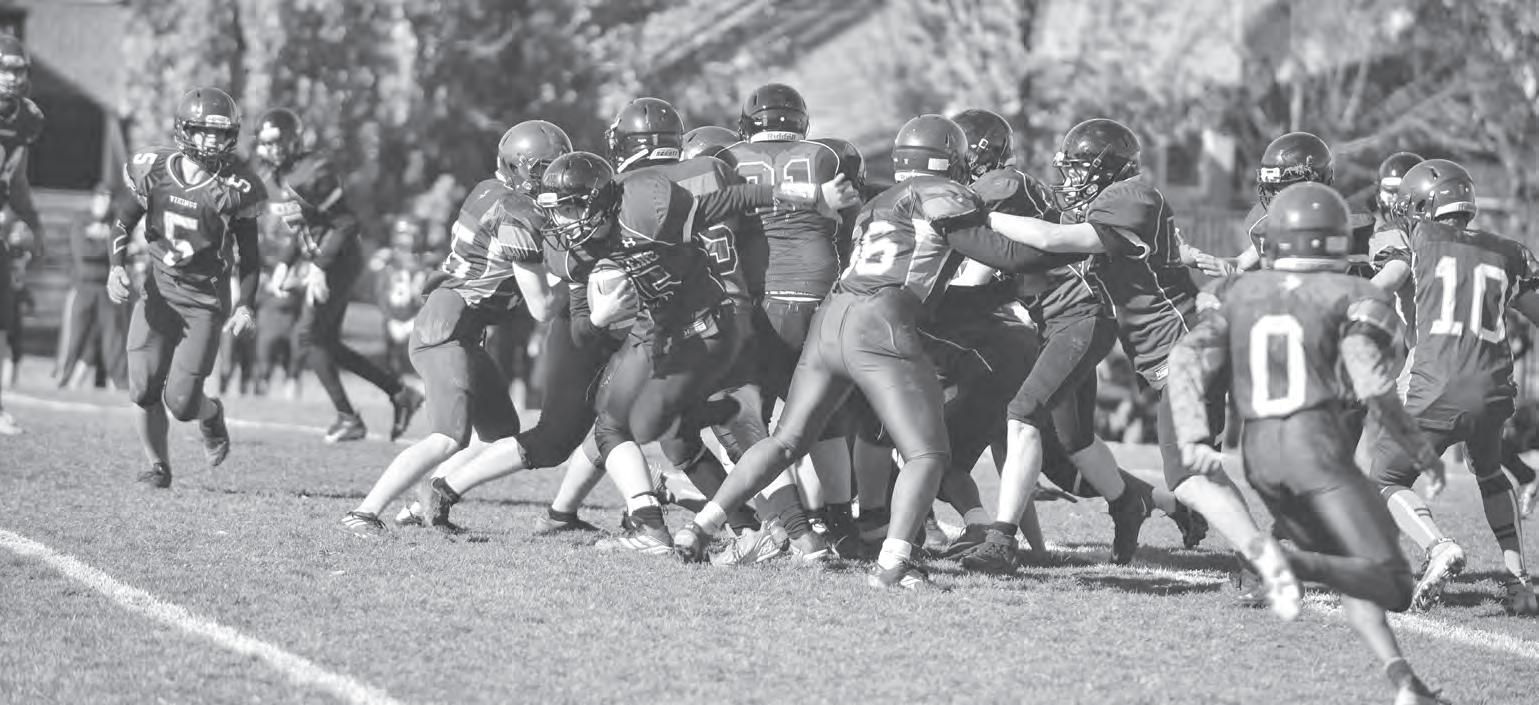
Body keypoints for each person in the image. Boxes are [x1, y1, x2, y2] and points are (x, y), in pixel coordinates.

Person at [671, 115, 1080, 589]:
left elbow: (937, 294)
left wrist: (1004, 289)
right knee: (927, 453)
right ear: (951, 163)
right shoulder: (938, 194)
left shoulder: (878, 204)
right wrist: (1084, 248)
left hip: (832, 319)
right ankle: (894, 562)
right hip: (880, 324)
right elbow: (1009, 256)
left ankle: (701, 525)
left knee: (786, 441)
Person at [986, 118, 1298, 614]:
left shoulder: (1129, 195)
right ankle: (1258, 557)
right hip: (1182, 349)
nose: (1071, 178)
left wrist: (980, 216)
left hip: (1185, 347)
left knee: (1190, 474)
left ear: (1108, 168)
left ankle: (1264, 562)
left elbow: (1052, 238)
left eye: (1080, 168)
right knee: (1195, 469)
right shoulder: (1123, 201)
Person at [1168, 181, 1448, 705]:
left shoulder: (1238, 291)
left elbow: (1185, 359)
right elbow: (1371, 382)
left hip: (1261, 457)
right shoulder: (1354, 294)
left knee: (1352, 565)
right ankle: (1281, 561)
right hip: (1313, 453)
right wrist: (1420, 449)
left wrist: (1191, 436)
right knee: (1394, 582)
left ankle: (1405, 684)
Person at [339, 121, 565, 538]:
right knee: (447, 437)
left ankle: (419, 508)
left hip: (462, 326)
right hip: (446, 328)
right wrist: (581, 279)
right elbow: (542, 308)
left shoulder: (489, 190)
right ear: (517, 166)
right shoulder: (516, 212)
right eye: (542, 170)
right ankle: (364, 512)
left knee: (499, 433)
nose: (550, 180)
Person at [1367, 159, 1539, 615]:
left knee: (1385, 478)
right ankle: (1520, 585)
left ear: (1423, 205)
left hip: (1436, 386)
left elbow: (1386, 282)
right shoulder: (1508, 252)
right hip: (1493, 390)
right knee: (1490, 473)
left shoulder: (1417, 239)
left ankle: (1438, 545)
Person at [107, 87, 266, 488]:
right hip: (158, 292)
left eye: (220, 132)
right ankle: (157, 466)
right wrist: (115, 267)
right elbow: (124, 221)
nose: (212, 140)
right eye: (203, 131)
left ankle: (211, 414)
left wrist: (246, 305)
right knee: (142, 387)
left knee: (181, 403)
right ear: (185, 130)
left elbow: (250, 255)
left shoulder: (236, 187)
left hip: (204, 303)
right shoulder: (154, 169)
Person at [253, 108, 423, 442]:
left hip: (340, 260)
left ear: (293, 140)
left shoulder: (314, 170)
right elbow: (302, 228)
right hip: (320, 259)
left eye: (277, 142)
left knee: (307, 338)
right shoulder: (272, 179)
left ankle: (348, 418)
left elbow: (346, 223)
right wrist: (286, 263)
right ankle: (400, 394)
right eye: (266, 142)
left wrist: (319, 266)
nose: (272, 149)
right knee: (326, 343)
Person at [0, 35, 45, 434]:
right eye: (4, 69)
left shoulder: (27, 117)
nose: (11, 77)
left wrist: (32, 221)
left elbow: (16, 180)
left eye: (17, 70)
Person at [60, 188, 129, 390]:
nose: (103, 204)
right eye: (100, 199)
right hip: (83, 288)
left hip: (106, 289)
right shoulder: (81, 220)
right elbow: (83, 252)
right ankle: (63, 379)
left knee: (113, 337)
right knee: (75, 337)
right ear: (94, 200)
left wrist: (106, 247)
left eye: (107, 200)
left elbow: (124, 245)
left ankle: (121, 384)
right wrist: (108, 249)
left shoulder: (114, 222)